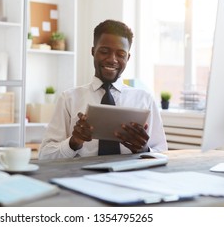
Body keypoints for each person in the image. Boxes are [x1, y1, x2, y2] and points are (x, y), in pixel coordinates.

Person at [38, 19, 167, 160]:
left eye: (121, 54)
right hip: (82, 177)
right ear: (93, 51)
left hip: (129, 177)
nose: (112, 59)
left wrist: (144, 149)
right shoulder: (69, 99)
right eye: (105, 51)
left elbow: (162, 154)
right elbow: (44, 156)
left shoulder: (145, 99)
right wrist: (74, 142)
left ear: (128, 57)